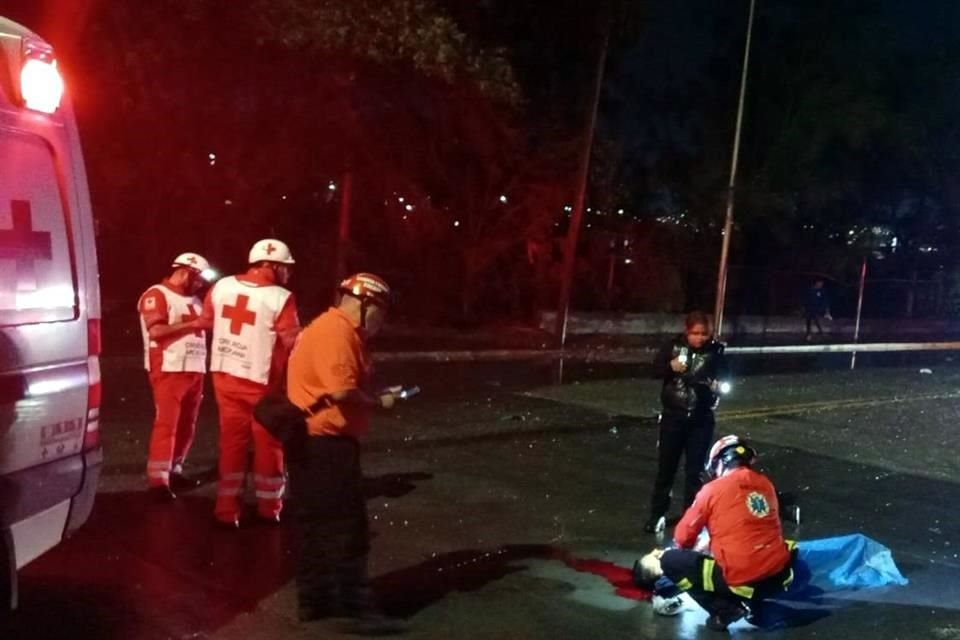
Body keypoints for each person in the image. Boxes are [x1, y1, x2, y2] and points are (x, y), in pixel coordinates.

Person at [285, 272, 403, 629]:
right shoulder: (337, 333)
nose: (381, 321)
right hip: (327, 445)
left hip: (311, 442)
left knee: (316, 527)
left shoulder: (329, 328)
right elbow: (341, 391)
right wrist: (378, 401)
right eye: (380, 311)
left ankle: (315, 601)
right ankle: (354, 609)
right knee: (346, 527)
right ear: (366, 303)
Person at [636, 435, 796, 632]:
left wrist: (690, 552)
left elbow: (683, 537)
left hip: (744, 578)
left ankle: (724, 611)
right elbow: (750, 527)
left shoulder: (712, 489)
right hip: (778, 576)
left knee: (671, 561)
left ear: (720, 462)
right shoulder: (766, 485)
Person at [198, 239, 300, 528]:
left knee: (232, 443)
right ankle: (270, 509)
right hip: (262, 385)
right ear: (275, 266)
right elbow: (292, 342)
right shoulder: (281, 297)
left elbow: (207, 321)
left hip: (224, 377)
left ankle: (226, 510)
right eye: (287, 269)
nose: (288, 275)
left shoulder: (221, 287)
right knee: (269, 446)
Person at [644, 311, 730, 533]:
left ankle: (690, 518)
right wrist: (669, 368)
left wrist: (716, 387)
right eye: (695, 333)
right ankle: (657, 514)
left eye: (704, 334)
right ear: (687, 331)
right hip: (674, 416)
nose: (699, 338)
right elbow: (653, 371)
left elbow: (727, 379)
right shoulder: (673, 347)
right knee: (666, 469)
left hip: (701, 418)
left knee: (695, 472)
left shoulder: (715, 352)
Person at [138, 252, 214, 501]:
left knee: (187, 425)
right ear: (186, 272)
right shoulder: (157, 294)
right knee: (167, 425)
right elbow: (157, 331)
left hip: (194, 368)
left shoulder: (194, 299)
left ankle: (175, 470)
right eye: (199, 279)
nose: (201, 285)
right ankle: (158, 481)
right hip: (169, 368)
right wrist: (194, 325)